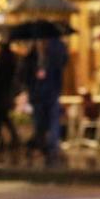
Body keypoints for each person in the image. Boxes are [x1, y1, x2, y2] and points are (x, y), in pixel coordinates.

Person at [30, 36, 68, 165]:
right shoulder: (60, 47)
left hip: (44, 91)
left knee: (43, 119)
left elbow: (42, 72)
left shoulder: (46, 53)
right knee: (53, 119)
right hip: (53, 90)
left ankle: (46, 145)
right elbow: (63, 64)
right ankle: (51, 145)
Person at [0, 41, 20, 153]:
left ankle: (3, 140)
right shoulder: (12, 60)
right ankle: (11, 139)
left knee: (0, 118)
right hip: (5, 94)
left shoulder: (0, 61)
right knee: (3, 117)